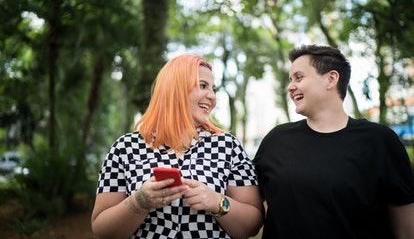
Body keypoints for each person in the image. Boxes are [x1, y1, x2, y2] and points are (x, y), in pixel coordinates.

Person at [91, 54, 264, 239]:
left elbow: (252, 225)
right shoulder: (125, 148)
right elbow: (102, 230)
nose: (212, 97)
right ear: (176, 89)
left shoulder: (228, 147)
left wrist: (217, 202)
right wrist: (140, 202)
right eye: (203, 86)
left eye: (213, 89)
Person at [253, 44, 414, 239]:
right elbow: (248, 205)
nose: (290, 86)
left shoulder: (380, 141)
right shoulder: (275, 140)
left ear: (331, 79)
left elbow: (406, 231)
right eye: (290, 79)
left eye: (299, 77)